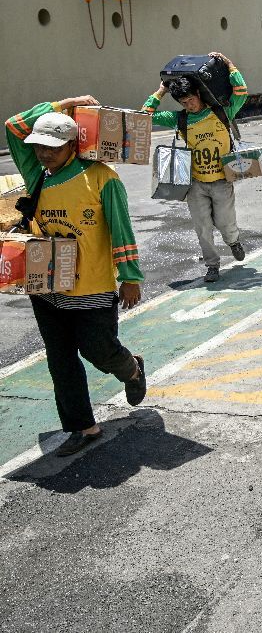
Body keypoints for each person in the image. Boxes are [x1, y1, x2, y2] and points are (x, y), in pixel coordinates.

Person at [4, 98, 147, 457]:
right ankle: (83, 426)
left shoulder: (102, 178)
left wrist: (129, 276)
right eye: (38, 147)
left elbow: (121, 229)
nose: (42, 154)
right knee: (60, 357)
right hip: (46, 284)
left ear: (73, 145)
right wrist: (65, 104)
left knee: (98, 349)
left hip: (92, 284)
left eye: (52, 148)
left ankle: (130, 369)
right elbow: (13, 126)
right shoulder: (37, 174)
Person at [144, 51, 248, 283]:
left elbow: (241, 92)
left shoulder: (221, 111)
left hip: (222, 180)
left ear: (199, 94)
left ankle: (233, 241)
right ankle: (212, 266)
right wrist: (160, 91)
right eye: (183, 102)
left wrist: (229, 63)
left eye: (191, 99)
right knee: (202, 228)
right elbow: (145, 116)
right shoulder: (179, 119)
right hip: (196, 184)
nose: (189, 105)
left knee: (224, 223)